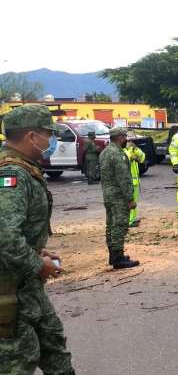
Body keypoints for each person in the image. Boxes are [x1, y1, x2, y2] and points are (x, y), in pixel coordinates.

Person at [0, 104, 75, 375]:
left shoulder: (23, 168)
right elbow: (5, 235)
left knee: (54, 346)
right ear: (32, 137)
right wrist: (37, 264)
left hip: (26, 284)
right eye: (48, 134)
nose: (52, 140)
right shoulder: (11, 173)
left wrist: (38, 252)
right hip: (10, 289)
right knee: (17, 361)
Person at [99, 127, 140, 269]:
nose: (126, 140)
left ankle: (113, 255)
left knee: (110, 225)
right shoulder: (118, 154)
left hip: (108, 195)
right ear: (120, 137)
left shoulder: (105, 152)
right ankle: (118, 258)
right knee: (119, 225)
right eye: (125, 137)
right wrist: (130, 199)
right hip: (118, 197)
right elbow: (123, 178)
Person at [124, 140, 146, 227]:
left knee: (134, 201)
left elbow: (142, 158)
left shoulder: (133, 149)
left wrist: (136, 148)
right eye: (128, 141)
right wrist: (129, 150)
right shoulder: (123, 151)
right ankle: (128, 221)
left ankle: (132, 219)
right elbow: (128, 158)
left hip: (135, 181)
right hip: (128, 182)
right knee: (128, 201)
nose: (129, 142)